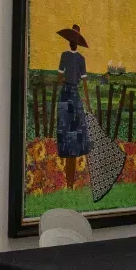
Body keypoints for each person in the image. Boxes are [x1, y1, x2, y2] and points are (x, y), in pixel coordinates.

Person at [53, 25, 90, 192]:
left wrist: (87, 101)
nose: (72, 43)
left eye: (73, 40)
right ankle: (69, 184)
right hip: (70, 96)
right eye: (72, 40)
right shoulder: (72, 57)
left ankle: (70, 183)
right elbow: (82, 82)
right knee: (68, 133)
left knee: (72, 135)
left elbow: (62, 78)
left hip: (70, 95)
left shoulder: (75, 58)